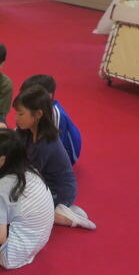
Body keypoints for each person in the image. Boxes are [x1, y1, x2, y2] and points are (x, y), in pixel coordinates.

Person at [13, 86, 95, 229]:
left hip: (59, 191)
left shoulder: (46, 143)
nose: (16, 118)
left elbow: (28, 177)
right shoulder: (26, 131)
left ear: (38, 114)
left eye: (20, 114)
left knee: (19, 211)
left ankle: (68, 217)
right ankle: (62, 209)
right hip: (42, 183)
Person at [0, 129, 55, 269]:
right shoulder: (28, 170)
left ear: (2, 160)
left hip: (10, 255)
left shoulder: (0, 187)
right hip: (37, 242)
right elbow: (2, 193)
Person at [20, 74, 82, 165]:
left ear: (47, 96)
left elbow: (53, 144)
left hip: (67, 154)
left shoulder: (55, 114)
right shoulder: (35, 108)